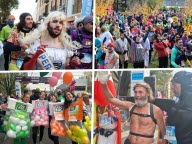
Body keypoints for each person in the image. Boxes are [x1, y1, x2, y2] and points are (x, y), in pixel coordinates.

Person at [97, 71, 166, 144]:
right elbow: (111, 99)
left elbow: (164, 133)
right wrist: (103, 83)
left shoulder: (155, 110)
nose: (137, 95)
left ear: (148, 93)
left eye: (140, 92)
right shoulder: (131, 106)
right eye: (135, 92)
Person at [167, 71, 192, 144]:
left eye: (174, 84)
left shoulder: (179, 108)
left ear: (184, 85)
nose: (172, 87)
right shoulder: (178, 105)